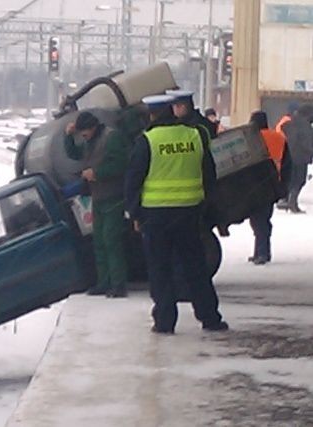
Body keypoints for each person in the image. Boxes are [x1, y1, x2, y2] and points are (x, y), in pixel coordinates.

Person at [124, 95, 228, 334]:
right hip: (189, 214)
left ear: (151, 114)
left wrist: (135, 213)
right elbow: (209, 175)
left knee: (160, 269)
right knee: (196, 268)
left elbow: (133, 181)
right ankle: (210, 318)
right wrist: (203, 205)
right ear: (172, 110)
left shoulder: (147, 141)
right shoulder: (195, 136)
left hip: (155, 217)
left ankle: (165, 321)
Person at [64, 111, 129, 298]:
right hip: (98, 196)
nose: (82, 136)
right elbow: (74, 153)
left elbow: (122, 163)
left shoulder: (111, 138)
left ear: (92, 128)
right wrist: (68, 137)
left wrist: (97, 173)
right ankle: (104, 282)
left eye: (83, 133)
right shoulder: (89, 141)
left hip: (114, 197)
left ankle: (118, 283)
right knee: (99, 240)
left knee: (111, 240)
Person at [247, 111, 291, 265]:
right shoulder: (279, 137)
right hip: (273, 184)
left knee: (258, 220)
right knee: (263, 219)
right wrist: (284, 186)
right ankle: (261, 251)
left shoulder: (251, 139)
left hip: (254, 184)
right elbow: (287, 164)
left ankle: (262, 253)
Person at [279, 104, 313, 213]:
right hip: (300, 157)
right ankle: (292, 203)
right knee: (299, 180)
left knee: (292, 179)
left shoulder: (290, 122)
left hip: (289, 156)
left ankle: (288, 201)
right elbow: (308, 143)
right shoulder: (305, 125)